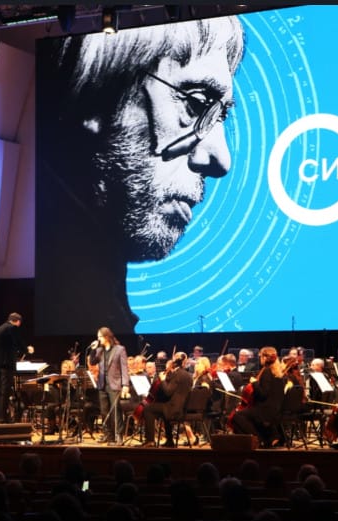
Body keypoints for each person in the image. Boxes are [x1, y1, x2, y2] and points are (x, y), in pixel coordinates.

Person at [35, 17, 246, 335]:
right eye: (196, 103)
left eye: (221, 115)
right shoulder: (73, 303)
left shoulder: (93, 302)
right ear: (98, 92)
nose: (221, 160)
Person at [229, 346, 286, 448]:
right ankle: (267, 438)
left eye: (260, 357)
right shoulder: (278, 373)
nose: (260, 359)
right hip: (276, 410)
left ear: (264, 358)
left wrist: (254, 383)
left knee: (237, 416)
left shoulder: (267, 371)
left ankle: (258, 439)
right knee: (246, 414)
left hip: (265, 410)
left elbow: (263, 394)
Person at [88, 326, 130, 445]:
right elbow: (92, 362)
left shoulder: (119, 349)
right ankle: (108, 435)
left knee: (116, 411)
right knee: (104, 411)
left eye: (100, 337)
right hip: (102, 385)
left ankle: (119, 436)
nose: (98, 339)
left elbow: (124, 368)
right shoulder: (99, 351)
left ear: (106, 337)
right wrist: (93, 350)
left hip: (114, 384)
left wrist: (125, 384)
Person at [141, 352, 193, 448]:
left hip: (173, 409)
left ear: (176, 362)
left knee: (148, 408)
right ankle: (170, 441)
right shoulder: (188, 375)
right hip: (182, 409)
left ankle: (150, 440)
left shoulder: (177, 374)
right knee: (163, 406)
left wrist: (163, 380)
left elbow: (168, 391)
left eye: (173, 360)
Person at [0, 312, 33, 423]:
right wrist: (27, 350)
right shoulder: (12, 328)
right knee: (5, 391)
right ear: (18, 322)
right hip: (6, 364)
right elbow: (18, 343)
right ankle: (3, 418)